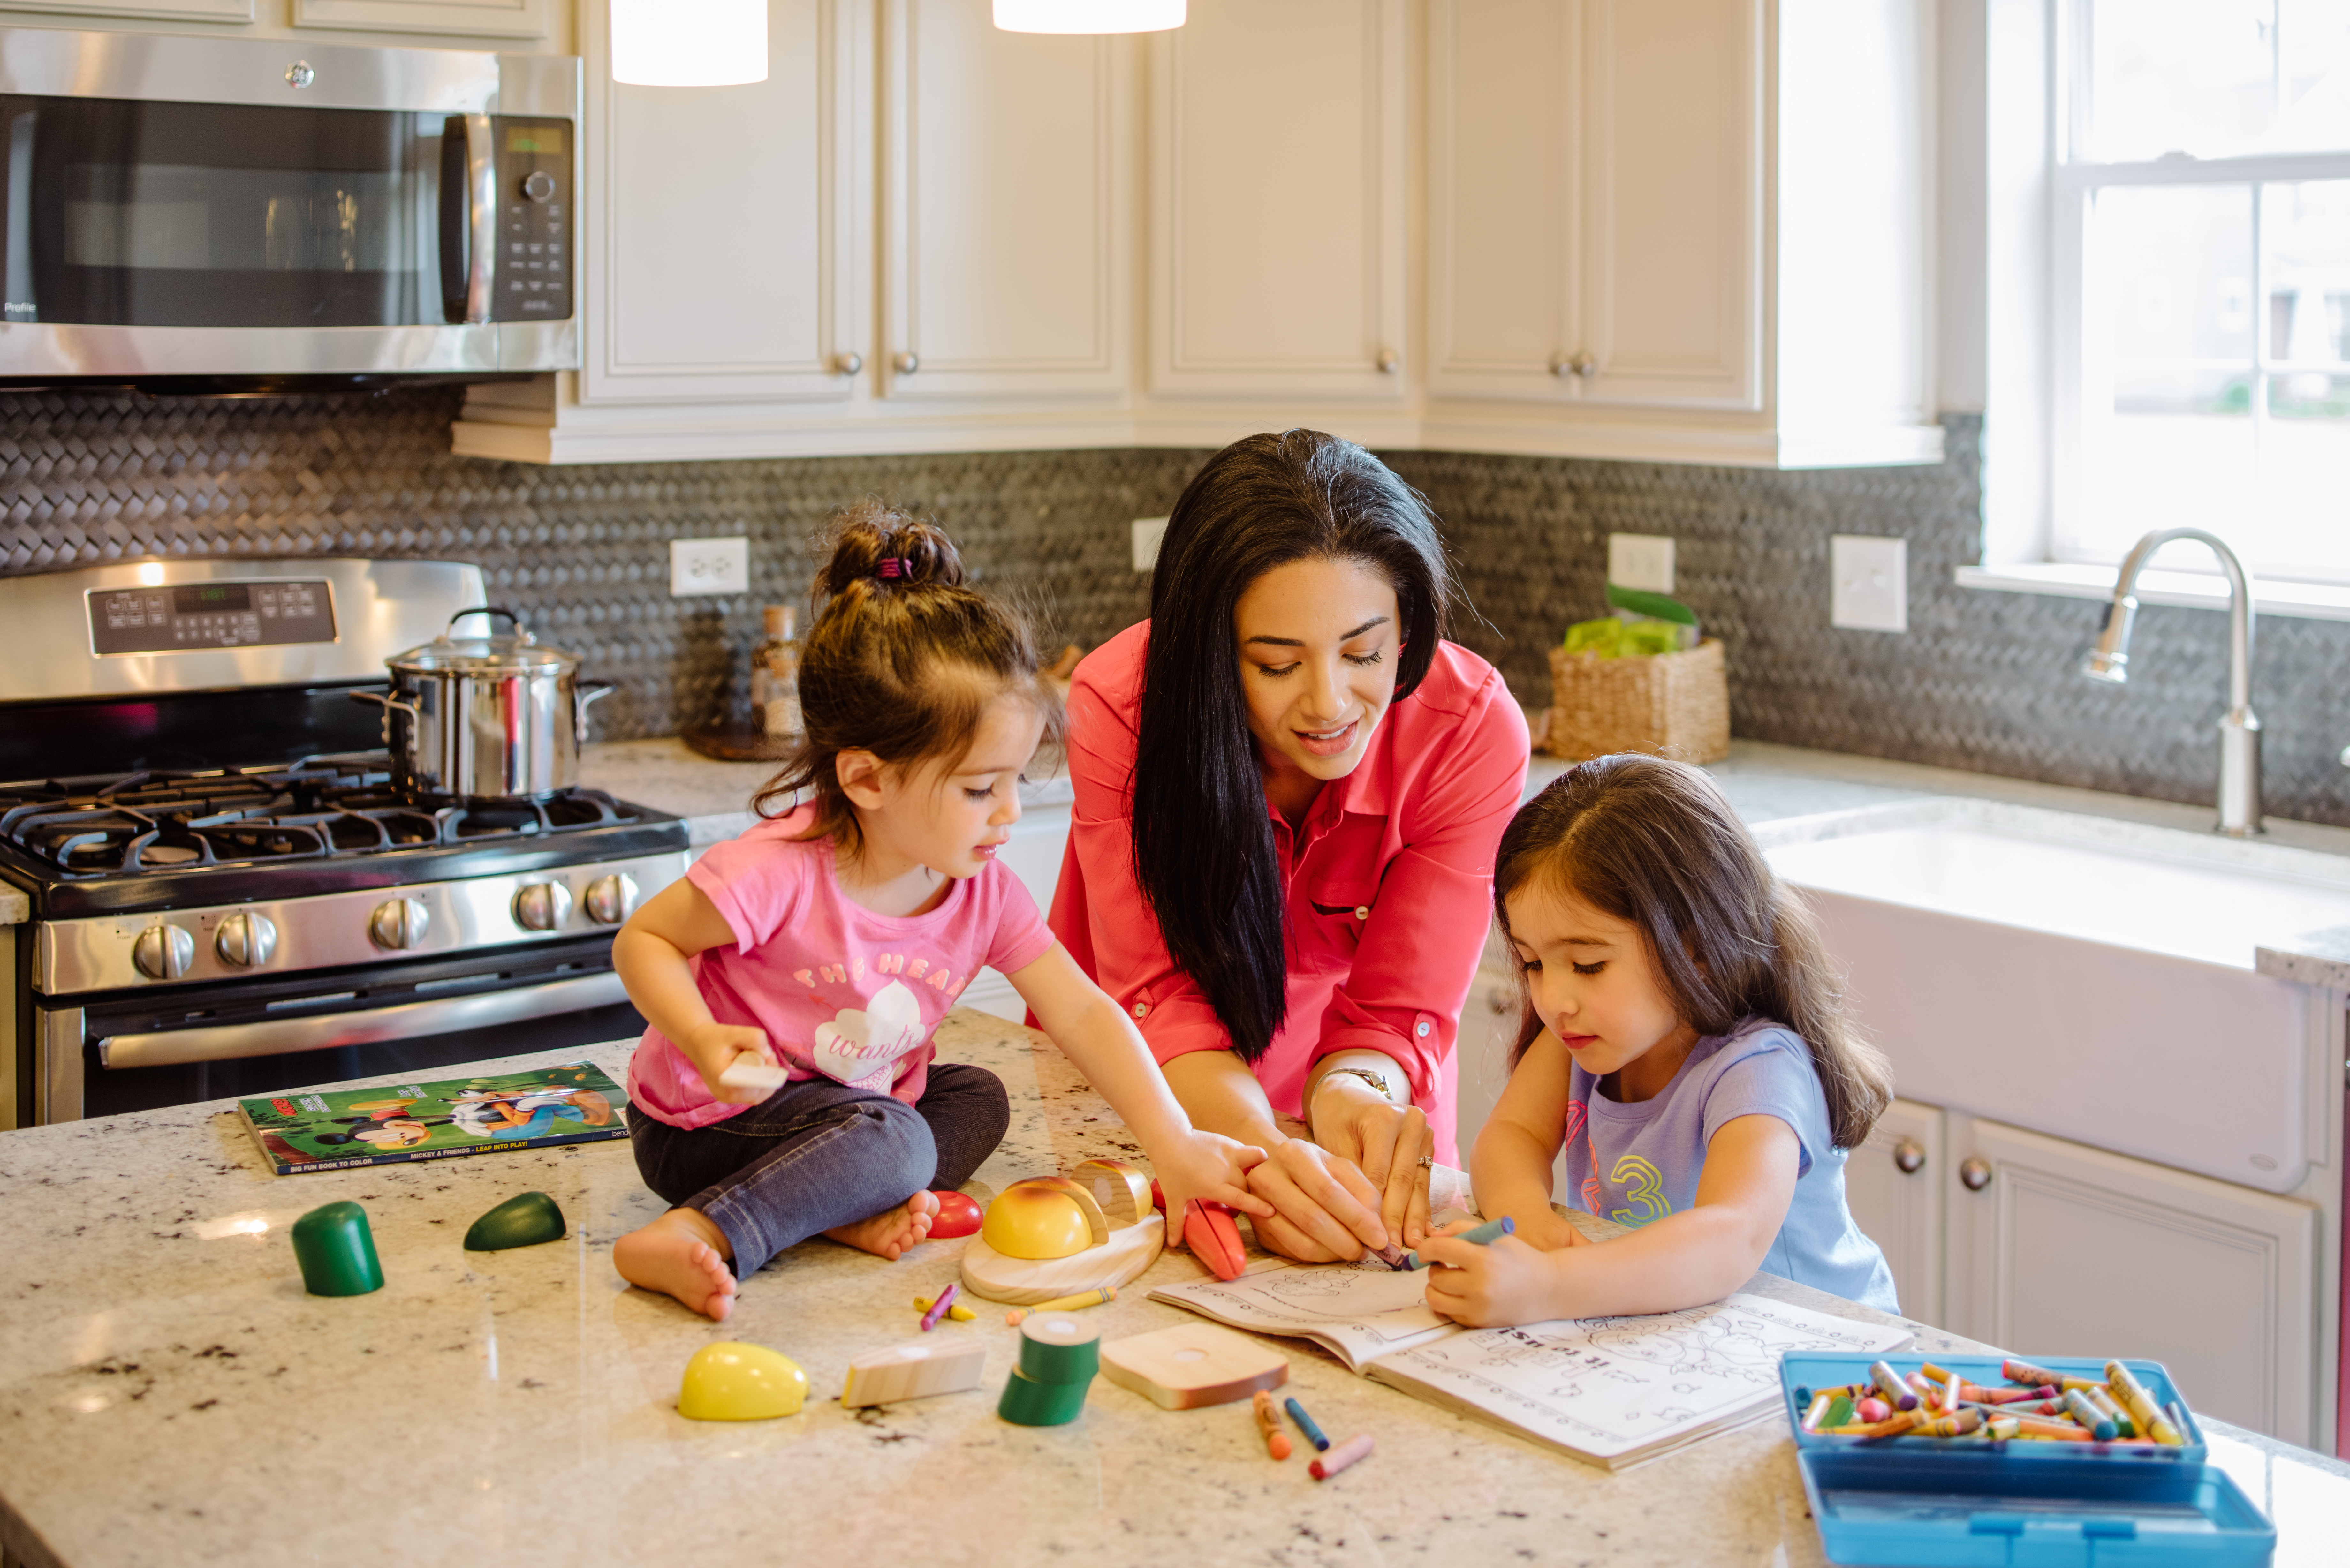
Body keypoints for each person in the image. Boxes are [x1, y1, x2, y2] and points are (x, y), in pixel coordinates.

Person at [611, 504, 1270, 1321]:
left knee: (976, 1097)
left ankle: (841, 1206)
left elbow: (1082, 1010)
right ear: (867, 780)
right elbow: (643, 939)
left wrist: (1174, 1144)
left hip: (848, 1105)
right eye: (976, 788)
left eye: (1015, 783)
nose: (1005, 813)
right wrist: (703, 1039)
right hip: (713, 1122)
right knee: (896, 1139)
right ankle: (703, 1230)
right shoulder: (778, 871)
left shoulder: (979, 887)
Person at [1050, 430, 1529, 1265]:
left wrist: (1355, 1094)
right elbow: (1162, 1004)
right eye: (1277, 665)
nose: (1329, 702)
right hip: (1154, 1098)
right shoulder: (1122, 706)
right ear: (1210, 651)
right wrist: (1259, 1155)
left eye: (1365, 653)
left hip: (1355, 1115)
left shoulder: (1469, 731)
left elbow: (1395, 1013)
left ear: (1408, 626)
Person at [1420, 753, 1898, 1326]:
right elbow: (1512, 1137)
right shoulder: (1583, 1034)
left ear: (1694, 949)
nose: (1554, 1000)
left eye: (1589, 964)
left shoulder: (1760, 1067)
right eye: (1534, 964)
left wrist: (1550, 1285)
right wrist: (1527, 1225)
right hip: (1689, 1335)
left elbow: (1731, 1237)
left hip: (1824, 1351)